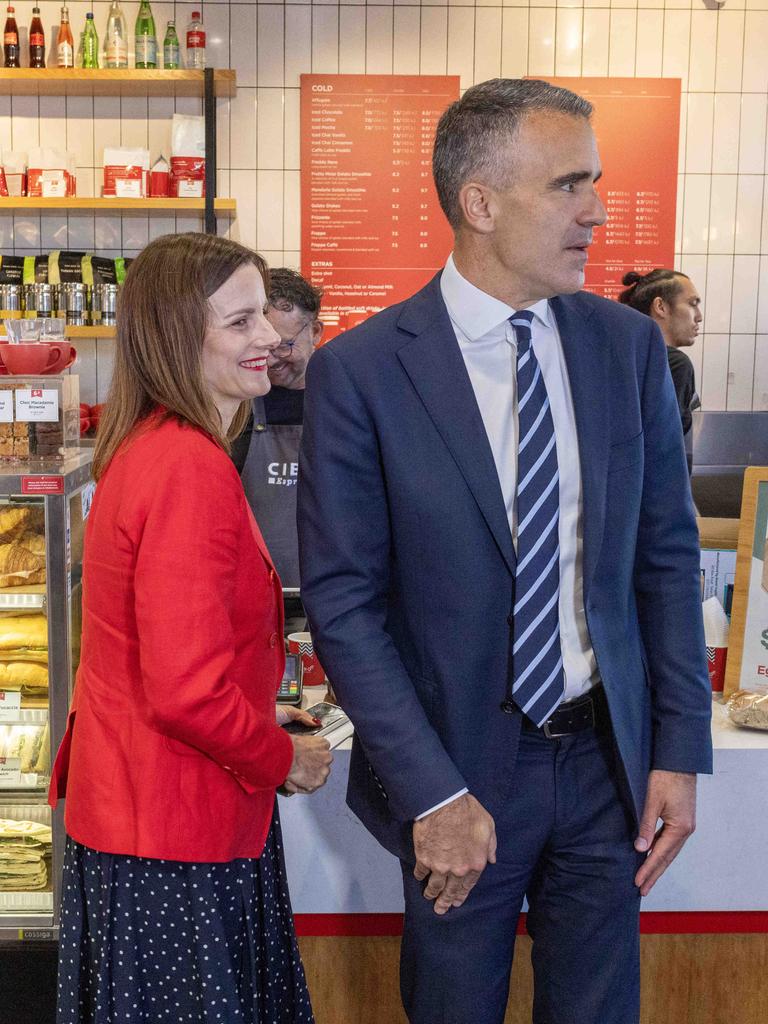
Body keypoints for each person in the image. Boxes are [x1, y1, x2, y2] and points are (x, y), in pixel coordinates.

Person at [297, 79, 712, 1024]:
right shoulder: (362, 372)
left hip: (607, 767)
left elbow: (664, 561)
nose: (599, 212)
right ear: (480, 203)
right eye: (571, 185)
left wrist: (677, 754)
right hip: (457, 773)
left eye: (597, 183)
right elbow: (346, 604)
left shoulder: (625, 350)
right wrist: (433, 793)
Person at [48, 233, 332, 1024]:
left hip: (140, 820)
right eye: (241, 323)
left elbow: (157, 654)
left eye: (266, 320)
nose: (271, 340)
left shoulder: (150, 448)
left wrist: (257, 703)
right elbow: (184, 693)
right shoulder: (189, 468)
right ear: (178, 335)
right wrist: (285, 758)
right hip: (175, 839)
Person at [231, 269, 323, 598]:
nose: (271, 359)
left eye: (283, 346)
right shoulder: (238, 409)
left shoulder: (343, 404)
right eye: (263, 345)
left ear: (315, 331)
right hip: (254, 596)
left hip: (325, 599)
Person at [619, 268, 702, 469]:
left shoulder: (626, 355)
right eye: (692, 304)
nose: (698, 316)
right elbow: (663, 444)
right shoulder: (675, 363)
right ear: (660, 307)